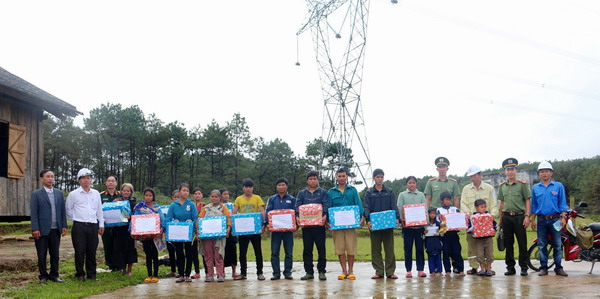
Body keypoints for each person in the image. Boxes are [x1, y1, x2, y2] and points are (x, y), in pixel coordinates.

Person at [66, 168, 104, 281]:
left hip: (93, 225)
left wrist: (101, 224)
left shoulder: (96, 193)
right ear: (79, 181)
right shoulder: (73, 194)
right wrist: (77, 220)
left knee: (92, 251)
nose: (86, 181)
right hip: (79, 226)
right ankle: (80, 274)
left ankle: (92, 274)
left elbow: (99, 210)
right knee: (79, 251)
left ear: (91, 180)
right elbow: (68, 210)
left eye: (88, 178)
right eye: (83, 178)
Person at [531, 161, 569, 277]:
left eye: (546, 171)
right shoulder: (535, 188)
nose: (544, 174)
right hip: (541, 220)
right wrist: (533, 220)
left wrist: (563, 217)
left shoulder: (558, 186)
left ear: (551, 173)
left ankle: (558, 268)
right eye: (541, 172)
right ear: (539, 174)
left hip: (556, 220)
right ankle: (544, 268)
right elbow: (534, 206)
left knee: (557, 245)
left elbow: (562, 203)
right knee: (542, 245)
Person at [30, 169, 68, 283]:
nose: (50, 179)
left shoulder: (59, 193)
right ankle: (43, 276)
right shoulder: (36, 194)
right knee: (42, 254)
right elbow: (34, 212)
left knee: (55, 254)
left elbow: (62, 211)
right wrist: (35, 228)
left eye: (52, 176)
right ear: (41, 179)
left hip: (56, 229)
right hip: (42, 230)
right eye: (48, 176)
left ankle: (54, 275)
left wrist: (64, 225)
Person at [327, 168, 364, 280]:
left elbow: (358, 204)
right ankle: (343, 271)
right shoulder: (331, 192)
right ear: (336, 177)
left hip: (351, 225)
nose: (341, 178)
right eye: (339, 176)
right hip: (337, 226)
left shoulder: (352, 190)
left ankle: (351, 271)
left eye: (343, 176)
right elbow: (328, 207)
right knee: (340, 248)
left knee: (351, 247)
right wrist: (327, 221)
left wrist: (362, 217)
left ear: (347, 177)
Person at [460, 165, 498, 275]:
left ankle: (487, 267)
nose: (473, 178)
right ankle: (474, 267)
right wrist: (471, 217)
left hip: (486, 223)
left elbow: (493, 204)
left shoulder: (489, 188)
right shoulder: (466, 189)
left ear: (480, 175)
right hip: (472, 223)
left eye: (475, 175)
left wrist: (491, 216)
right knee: (472, 245)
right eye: (471, 176)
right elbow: (464, 204)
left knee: (487, 246)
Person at [497, 158, 531, 276]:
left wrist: (527, 216)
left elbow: (527, 201)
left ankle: (524, 267)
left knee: (522, 243)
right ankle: (510, 267)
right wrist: (500, 219)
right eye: (507, 169)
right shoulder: (502, 186)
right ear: (505, 172)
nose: (510, 172)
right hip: (507, 218)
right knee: (508, 243)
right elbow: (501, 203)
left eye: (512, 169)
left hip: (519, 217)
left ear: (516, 170)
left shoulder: (522, 185)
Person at [363, 169, 400, 280]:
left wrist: (397, 218)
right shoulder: (369, 192)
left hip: (387, 225)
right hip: (374, 225)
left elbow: (393, 205)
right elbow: (366, 207)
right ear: (374, 178)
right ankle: (379, 271)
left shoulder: (389, 191)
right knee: (375, 248)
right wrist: (368, 220)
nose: (380, 179)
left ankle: (390, 272)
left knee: (389, 248)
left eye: (381, 177)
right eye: (378, 177)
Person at [295, 171, 328, 281]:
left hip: (319, 226)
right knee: (307, 250)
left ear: (317, 180)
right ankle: (309, 272)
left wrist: (325, 216)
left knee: (321, 249)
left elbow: (325, 206)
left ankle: (322, 271)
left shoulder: (323, 192)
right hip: (307, 227)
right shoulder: (301, 193)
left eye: (315, 178)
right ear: (307, 180)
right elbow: (297, 207)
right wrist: (297, 217)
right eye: (310, 179)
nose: (313, 180)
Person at [233, 178, 266, 281]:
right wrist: (234, 226)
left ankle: (260, 273)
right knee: (242, 253)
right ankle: (243, 273)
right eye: (246, 187)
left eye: (250, 187)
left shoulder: (257, 198)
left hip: (255, 230)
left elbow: (262, 211)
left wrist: (263, 224)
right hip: (243, 230)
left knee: (258, 252)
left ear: (253, 188)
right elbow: (234, 213)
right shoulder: (238, 199)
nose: (248, 189)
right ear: (243, 188)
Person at [166, 184, 199, 283]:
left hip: (189, 234)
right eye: (184, 190)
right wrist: (169, 229)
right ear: (179, 191)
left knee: (189, 254)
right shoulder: (173, 205)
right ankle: (181, 275)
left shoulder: (191, 204)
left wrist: (192, 229)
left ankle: (188, 274)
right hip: (177, 234)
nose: (185, 192)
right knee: (179, 253)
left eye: (187, 191)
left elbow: (195, 218)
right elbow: (168, 218)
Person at [265, 178, 296, 280]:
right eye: (279, 185)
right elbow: (268, 212)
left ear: (286, 186)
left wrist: (296, 224)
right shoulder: (272, 199)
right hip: (275, 232)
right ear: (276, 187)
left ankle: (288, 272)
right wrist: (267, 224)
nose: (281, 187)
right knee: (274, 252)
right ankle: (276, 273)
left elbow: (295, 213)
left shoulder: (292, 199)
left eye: (283, 185)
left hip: (288, 231)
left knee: (289, 253)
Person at [132, 188, 165, 283]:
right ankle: (149, 275)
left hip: (155, 236)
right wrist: (133, 230)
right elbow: (135, 219)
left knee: (155, 254)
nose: (148, 197)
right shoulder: (140, 207)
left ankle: (155, 275)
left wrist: (162, 228)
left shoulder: (157, 208)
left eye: (150, 195)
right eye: (146, 195)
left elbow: (162, 219)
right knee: (148, 255)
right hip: (145, 236)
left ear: (153, 196)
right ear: (144, 196)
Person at [199, 190, 232, 282]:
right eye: (212, 196)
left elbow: (228, 218)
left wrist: (228, 227)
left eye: (216, 196)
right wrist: (199, 230)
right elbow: (199, 220)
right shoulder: (206, 208)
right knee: (208, 255)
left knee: (219, 255)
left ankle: (220, 274)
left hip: (219, 237)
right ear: (210, 197)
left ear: (219, 197)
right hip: (207, 237)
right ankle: (209, 275)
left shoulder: (223, 208)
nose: (214, 198)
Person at [397, 176, 426, 278]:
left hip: (419, 228)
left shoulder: (421, 195)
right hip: (407, 228)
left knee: (420, 249)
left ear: (416, 184)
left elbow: (424, 209)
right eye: (409, 183)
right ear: (406, 184)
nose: (411, 185)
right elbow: (400, 208)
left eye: (413, 183)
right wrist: (402, 219)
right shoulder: (402, 195)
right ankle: (408, 270)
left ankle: (420, 270)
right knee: (408, 249)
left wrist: (424, 223)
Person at [436, 192, 465, 277]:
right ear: (442, 201)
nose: (448, 201)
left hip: (454, 234)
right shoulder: (438, 210)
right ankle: (447, 270)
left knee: (457, 252)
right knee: (445, 252)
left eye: (449, 199)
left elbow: (461, 217)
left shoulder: (455, 209)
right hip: (444, 235)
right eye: (446, 200)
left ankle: (461, 270)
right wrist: (440, 224)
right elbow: (437, 221)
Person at [112, 183, 138, 276]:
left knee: (130, 249)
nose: (126, 192)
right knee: (120, 249)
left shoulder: (134, 203)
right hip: (119, 229)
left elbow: (137, 215)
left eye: (128, 191)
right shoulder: (116, 201)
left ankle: (129, 270)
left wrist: (130, 217)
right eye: (124, 190)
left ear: (131, 192)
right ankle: (122, 269)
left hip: (129, 229)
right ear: (121, 191)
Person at [467, 200, 497, 276]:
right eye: (481, 207)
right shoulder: (473, 217)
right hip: (478, 239)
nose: (483, 208)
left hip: (488, 238)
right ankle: (482, 269)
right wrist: (473, 230)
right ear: (476, 208)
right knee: (480, 254)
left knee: (489, 253)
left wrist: (494, 230)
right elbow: (469, 228)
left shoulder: (489, 216)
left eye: (485, 207)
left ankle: (489, 269)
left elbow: (494, 225)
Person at [100, 175, 119, 271]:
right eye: (108, 181)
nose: (110, 182)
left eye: (112, 181)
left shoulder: (120, 195)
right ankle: (110, 265)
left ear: (116, 183)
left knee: (118, 245)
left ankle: (119, 264)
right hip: (106, 225)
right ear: (106, 183)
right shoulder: (101, 195)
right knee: (107, 245)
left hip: (118, 225)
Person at [219, 188, 239, 279]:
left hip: (231, 232)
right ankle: (221, 272)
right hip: (220, 232)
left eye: (227, 194)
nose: (226, 195)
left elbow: (235, 216)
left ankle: (234, 272)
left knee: (232, 251)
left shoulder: (232, 205)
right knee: (221, 252)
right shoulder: (217, 206)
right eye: (224, 194)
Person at [191, 187, 207, 279]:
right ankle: (197, 272)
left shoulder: (205, 206)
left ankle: (208, 271)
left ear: (202, 195)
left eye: (199, 193)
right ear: (193, 195)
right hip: (193, 232)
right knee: (194, 252)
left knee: (205, 252)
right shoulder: (190, 205)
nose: (197, 195)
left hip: (203, 232)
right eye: (196, 193)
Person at [424, 207, 443, 276]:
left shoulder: (438, 224)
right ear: (428, 214)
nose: (432, 215)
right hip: (429, 243)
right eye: (431, 213)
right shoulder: (425, 225)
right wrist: (424, 233)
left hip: (437, 242)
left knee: (438, 257)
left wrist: (440, 231)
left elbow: (442, 234)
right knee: (430, 257)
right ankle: (432, 271)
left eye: (434, 213)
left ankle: (440, 271)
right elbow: (423, 235)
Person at [166, 190, 178, 277]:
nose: (177, 199)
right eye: (175, 197)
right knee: (171, 252)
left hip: (180, 233)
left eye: (178, 197)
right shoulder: (169, 208)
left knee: (180, 252)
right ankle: (173, 270)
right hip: (170, 233)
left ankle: (182, 270)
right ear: (172, 198)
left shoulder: (183, 207)